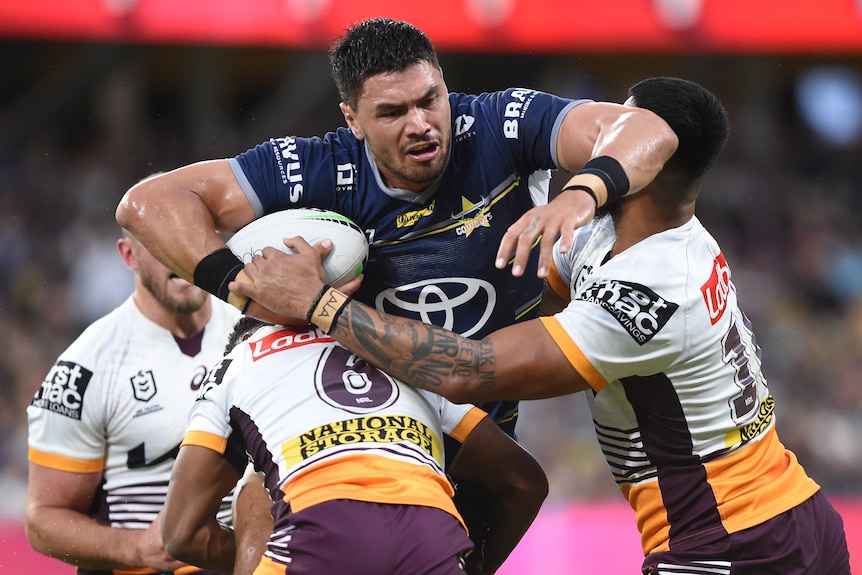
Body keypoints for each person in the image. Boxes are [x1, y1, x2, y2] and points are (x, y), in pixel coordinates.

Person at [229, 77, 852, 574]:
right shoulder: (620, 233)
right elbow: (507, 288)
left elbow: (471, 371)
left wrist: (321, 305)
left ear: (647, 161)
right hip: (792, 512)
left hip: (729, 544)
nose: (601, 139)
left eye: (617, 131)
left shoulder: (653, 290)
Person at [116, 15, 675, 550]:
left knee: (510, 501)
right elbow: (147, 203)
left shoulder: (501, 124)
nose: (421, 124)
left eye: (430, 99)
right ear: (352, 120)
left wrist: (582, 191)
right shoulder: (314, 168)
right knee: (252, 508)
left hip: (481, 433)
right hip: (372, 431)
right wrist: (244, 288)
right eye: (392, 112)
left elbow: (647, 129)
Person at [161, 315, 548, 575]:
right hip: (431, 536)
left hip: (319, 531)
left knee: (255, 487)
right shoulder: (402, 352)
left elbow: (180, 533)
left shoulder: (238, 361)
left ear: (244, 339)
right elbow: (525, 482)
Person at [24, 223, 251, 574]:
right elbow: (43, 520)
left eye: (191, 237)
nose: (180, 253)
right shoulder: (84, 367)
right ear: (129, 255)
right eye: (163, 242)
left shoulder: (258, 330)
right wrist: (137, 549)